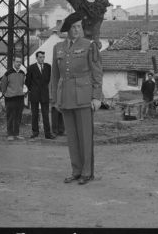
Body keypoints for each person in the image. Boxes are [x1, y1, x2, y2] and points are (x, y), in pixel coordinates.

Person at [52, 10, 103, 186]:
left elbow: (97, 73)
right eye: (73, 27)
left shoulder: (89, 45)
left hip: (83, 96)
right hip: (65, 97)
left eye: (79, 27)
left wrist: (97, 97)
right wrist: (55, 99)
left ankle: (87, 173)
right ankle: (76, 170)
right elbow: (54, 76)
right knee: (72, 137)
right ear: (67, 29)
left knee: (85, 137)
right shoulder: (58, 48)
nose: (77, 30)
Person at [25, 51, 55, 139]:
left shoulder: (48, 67)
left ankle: (48, 134)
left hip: (44, 94)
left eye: (43, 57)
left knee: (45, 114)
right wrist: (33, 89)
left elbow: (48, 79)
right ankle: (35, 132)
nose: (42, 59)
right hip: (34, 94)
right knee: (34, 114)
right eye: (40, 57)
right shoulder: (31, 68)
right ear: (37, 58)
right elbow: (27, 81)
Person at [0, 55, 26, 141]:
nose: (19, 63)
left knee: (18, 116)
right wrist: (5, 94)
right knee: (10, 116)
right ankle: (10, 134)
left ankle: (16, 134)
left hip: (20, 97)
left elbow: (22, 84)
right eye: (17, 62)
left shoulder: (22, 73)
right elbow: (3, 85)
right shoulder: (8, 73)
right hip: (10, 98)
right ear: (14, 62)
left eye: (20, 62)